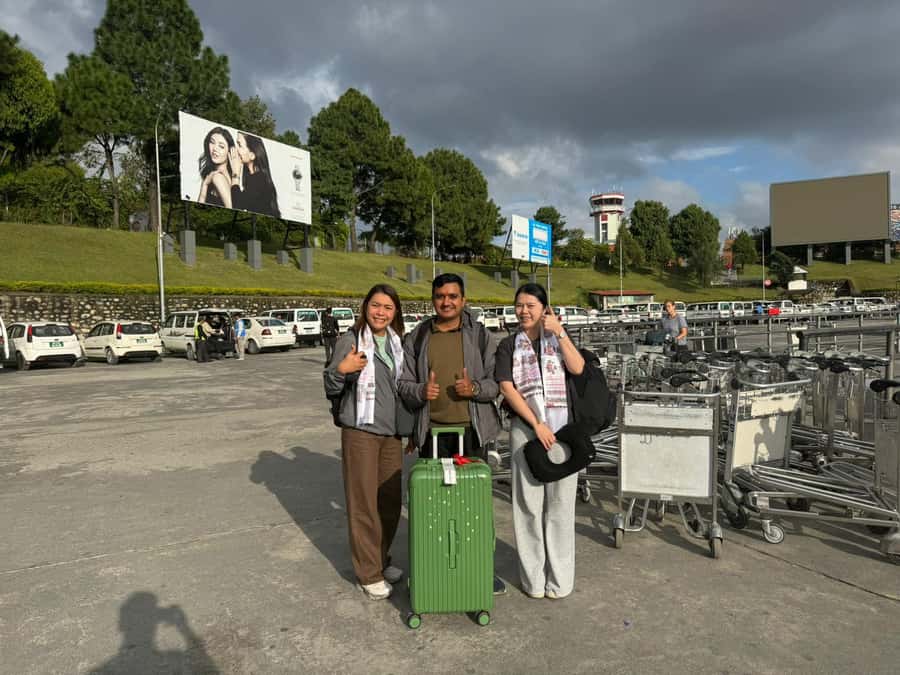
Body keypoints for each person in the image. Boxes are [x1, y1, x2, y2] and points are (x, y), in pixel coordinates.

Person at [398, 272, 506, 594]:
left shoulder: (480, 337)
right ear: (433, 300)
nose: (446, 302)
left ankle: (481, 569)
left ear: (463, 300)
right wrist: (421, 391)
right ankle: (437, 566)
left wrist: (473, 388)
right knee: (434, 505)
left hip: (470, 433)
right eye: (440, 296)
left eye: (453, 296)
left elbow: (496, 384)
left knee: (474, 506)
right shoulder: (417, 337)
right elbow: (403, 384)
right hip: (431, 434)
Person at [494, 283, 585, 600]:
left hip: (562, 429)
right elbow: (507, 387)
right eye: (519, 305)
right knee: (528, 507)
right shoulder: (509, 345)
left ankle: (560, 580)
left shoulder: (556, 338)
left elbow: (578, 368)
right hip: (525, 430)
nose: (523, 311)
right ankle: (532, 579)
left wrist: (559, 332)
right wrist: (537, 423)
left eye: (530, 305)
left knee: (560, 506)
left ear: (544, 308)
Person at [323, 284, 407, 600]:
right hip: (360, 431)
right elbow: (331, 381)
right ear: (365, 307)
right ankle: (368, 572)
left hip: (391, 433)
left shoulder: (397, 343)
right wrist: (341, 370)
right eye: (375, 305)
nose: (381, 312)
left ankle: (381, 560)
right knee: (364, 504)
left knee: (388, 502)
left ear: (395, 312)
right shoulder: (352, 339)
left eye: (387, 307)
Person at [228, 132, 281, 218]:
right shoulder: (256, 178)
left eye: (239, 145)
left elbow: (238, 204)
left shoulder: (259, 180)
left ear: (252, 155)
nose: (235, 149)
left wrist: (235, 174)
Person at [197, 127, 236, 209]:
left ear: (230, 151)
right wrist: (205, 184)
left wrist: (205, 185)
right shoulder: (226, 175)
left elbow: (232, 207)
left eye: (221, 146)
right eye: (212, 142)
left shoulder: (217, 177)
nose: (215, 149)